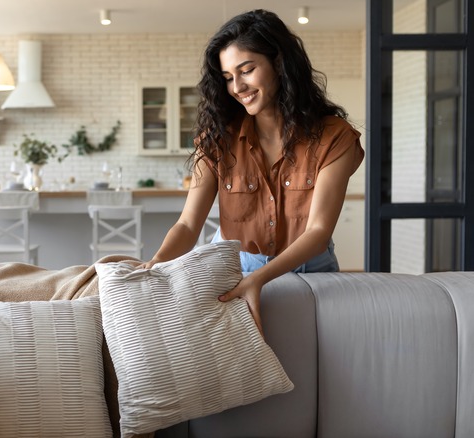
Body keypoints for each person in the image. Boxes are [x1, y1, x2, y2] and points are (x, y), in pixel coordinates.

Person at [139, 9, 364, 334]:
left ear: (280, 64)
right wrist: (156, 263)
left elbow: (317, 232)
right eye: (228, 77)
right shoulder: (217, 138)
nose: (237, 86)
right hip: (238, 269)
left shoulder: (334, 136)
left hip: (313, 272)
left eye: (247, 70)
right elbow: (188, 224)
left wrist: (259, 280)